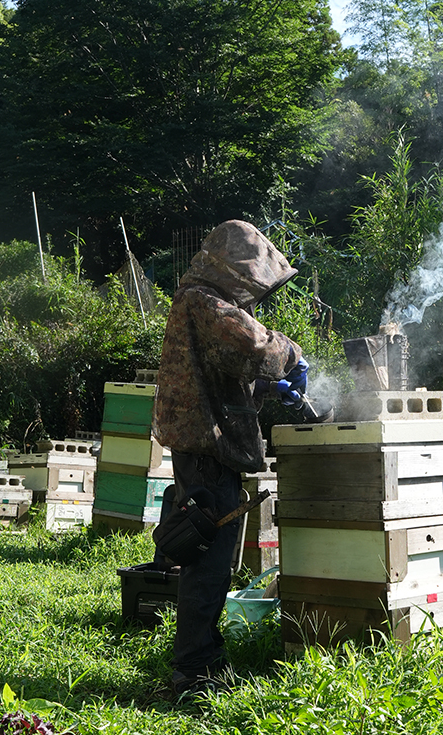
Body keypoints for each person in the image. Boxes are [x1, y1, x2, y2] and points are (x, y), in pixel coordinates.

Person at [153, 220, 308, 700]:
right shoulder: (203, 300)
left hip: (204, 452)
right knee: (209, 566)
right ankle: (194, 675)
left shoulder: (198, 303)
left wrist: (264, 387)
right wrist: (293, 356)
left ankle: (202, 662)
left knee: (214, 564)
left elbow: (219, 378)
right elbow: (250, 343)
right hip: (206, 455)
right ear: (234, 267)